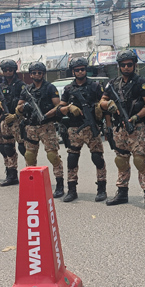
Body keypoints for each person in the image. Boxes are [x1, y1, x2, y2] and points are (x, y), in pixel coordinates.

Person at [99, 50, 145, 210]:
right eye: (123, 65)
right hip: (119, 129)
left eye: (129, 64)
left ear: (134, 65)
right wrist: (108, 105)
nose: (126, 67)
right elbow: (101, 102)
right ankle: (122, 192)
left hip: (137, 128)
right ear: (119, 66)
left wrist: (137, 117)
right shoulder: (113, 84)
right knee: (121, 161)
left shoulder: (141, 83)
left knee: (140, 161)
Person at [57, 57, 107, 202]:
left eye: (82, 69)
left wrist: (99, 111)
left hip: (92, 127)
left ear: (86, 70)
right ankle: (72, 190)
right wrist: (69, 108)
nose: (80, 72)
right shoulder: (68, 89)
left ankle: (101, 189)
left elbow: (104, 103)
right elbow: (60, 109)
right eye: (77, 70)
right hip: (74, 128)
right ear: (73, 71)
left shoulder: (95, 86)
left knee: (97, 158)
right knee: (72, 159)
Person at [16, 62, 66, 198]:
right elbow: (18, 107)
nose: (37, 75)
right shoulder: (26, 90)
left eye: (39, 72)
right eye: (34, 72)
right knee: (30, 156)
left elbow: (58, 106)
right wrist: (24, 107)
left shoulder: (50, 87)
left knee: (53, 156)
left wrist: (46, 115)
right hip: (31, 127)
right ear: (30, 74)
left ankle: (60, 184)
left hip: (47, 126)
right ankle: (32, 184)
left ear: (43, 74)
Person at [0, 59, 26, 187]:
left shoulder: (21, 85)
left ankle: (29, 173)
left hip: (17, 119)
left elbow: (26, 101)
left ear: (14, 70)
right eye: (5, 70)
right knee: (7, 147)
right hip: (5, 120)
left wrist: (16, 115)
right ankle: (12, 175)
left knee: (23, 147)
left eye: (10, 70)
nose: (7, 72)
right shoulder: (0, 86)